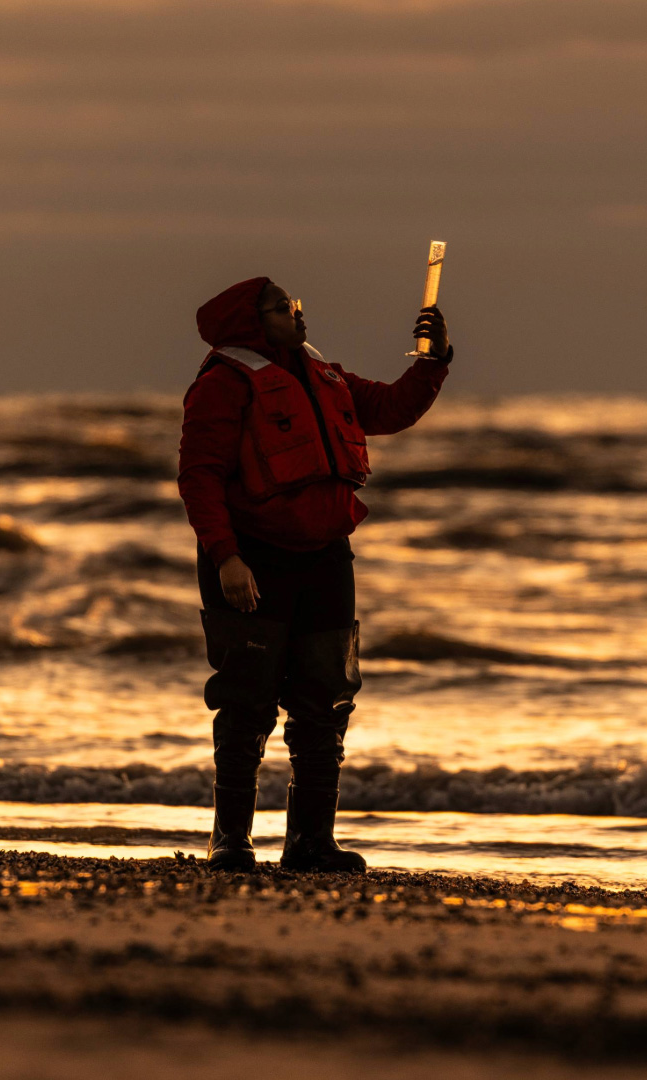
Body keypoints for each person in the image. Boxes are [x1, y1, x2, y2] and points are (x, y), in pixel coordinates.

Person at [178, 276, 451, 872]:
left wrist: (432, 363)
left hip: (326, 556)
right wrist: (227, 557)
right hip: (253, 557)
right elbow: (199, 477)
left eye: (296, 303)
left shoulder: (323, 375)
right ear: (254, 324)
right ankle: (230, 840)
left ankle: (310, 842)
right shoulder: (223, 384)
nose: (299, 313)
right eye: (283, 307)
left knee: (326, 701)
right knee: (246, 703)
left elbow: (387, 408)